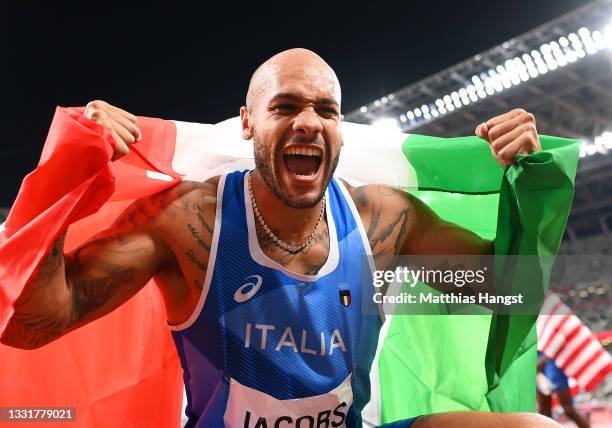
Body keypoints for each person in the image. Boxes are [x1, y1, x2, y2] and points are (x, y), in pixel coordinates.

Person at [1, 48, 560, 428]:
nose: (309, 122)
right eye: (286, 106)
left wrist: (530, 183)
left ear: (340, 128)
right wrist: (67, 175)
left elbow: (510, 291)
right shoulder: (188, 222)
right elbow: (31, 323)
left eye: (326, 110)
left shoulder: (384, 221)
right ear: (248, 124)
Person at [537, 352, 591, 428]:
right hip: (537, 364)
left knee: (568, 409)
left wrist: (545, 358)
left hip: (551, 360)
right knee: (544, 413)